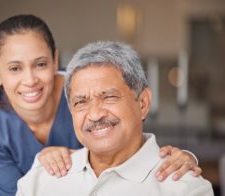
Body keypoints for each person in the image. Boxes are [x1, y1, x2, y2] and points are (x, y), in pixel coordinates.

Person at [0, 14, 201, 196]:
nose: (30, 80)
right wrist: (40, 168)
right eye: (14, 68)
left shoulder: (85, 87)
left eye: (40, 64)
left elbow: (133, 140)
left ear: (55, 61)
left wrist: (182, 158)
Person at [16, 41, 214, 196]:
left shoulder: (185, 189)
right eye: (81, 102)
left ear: (143, 103)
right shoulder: (38, 181)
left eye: (109, 97)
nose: (95, 114)